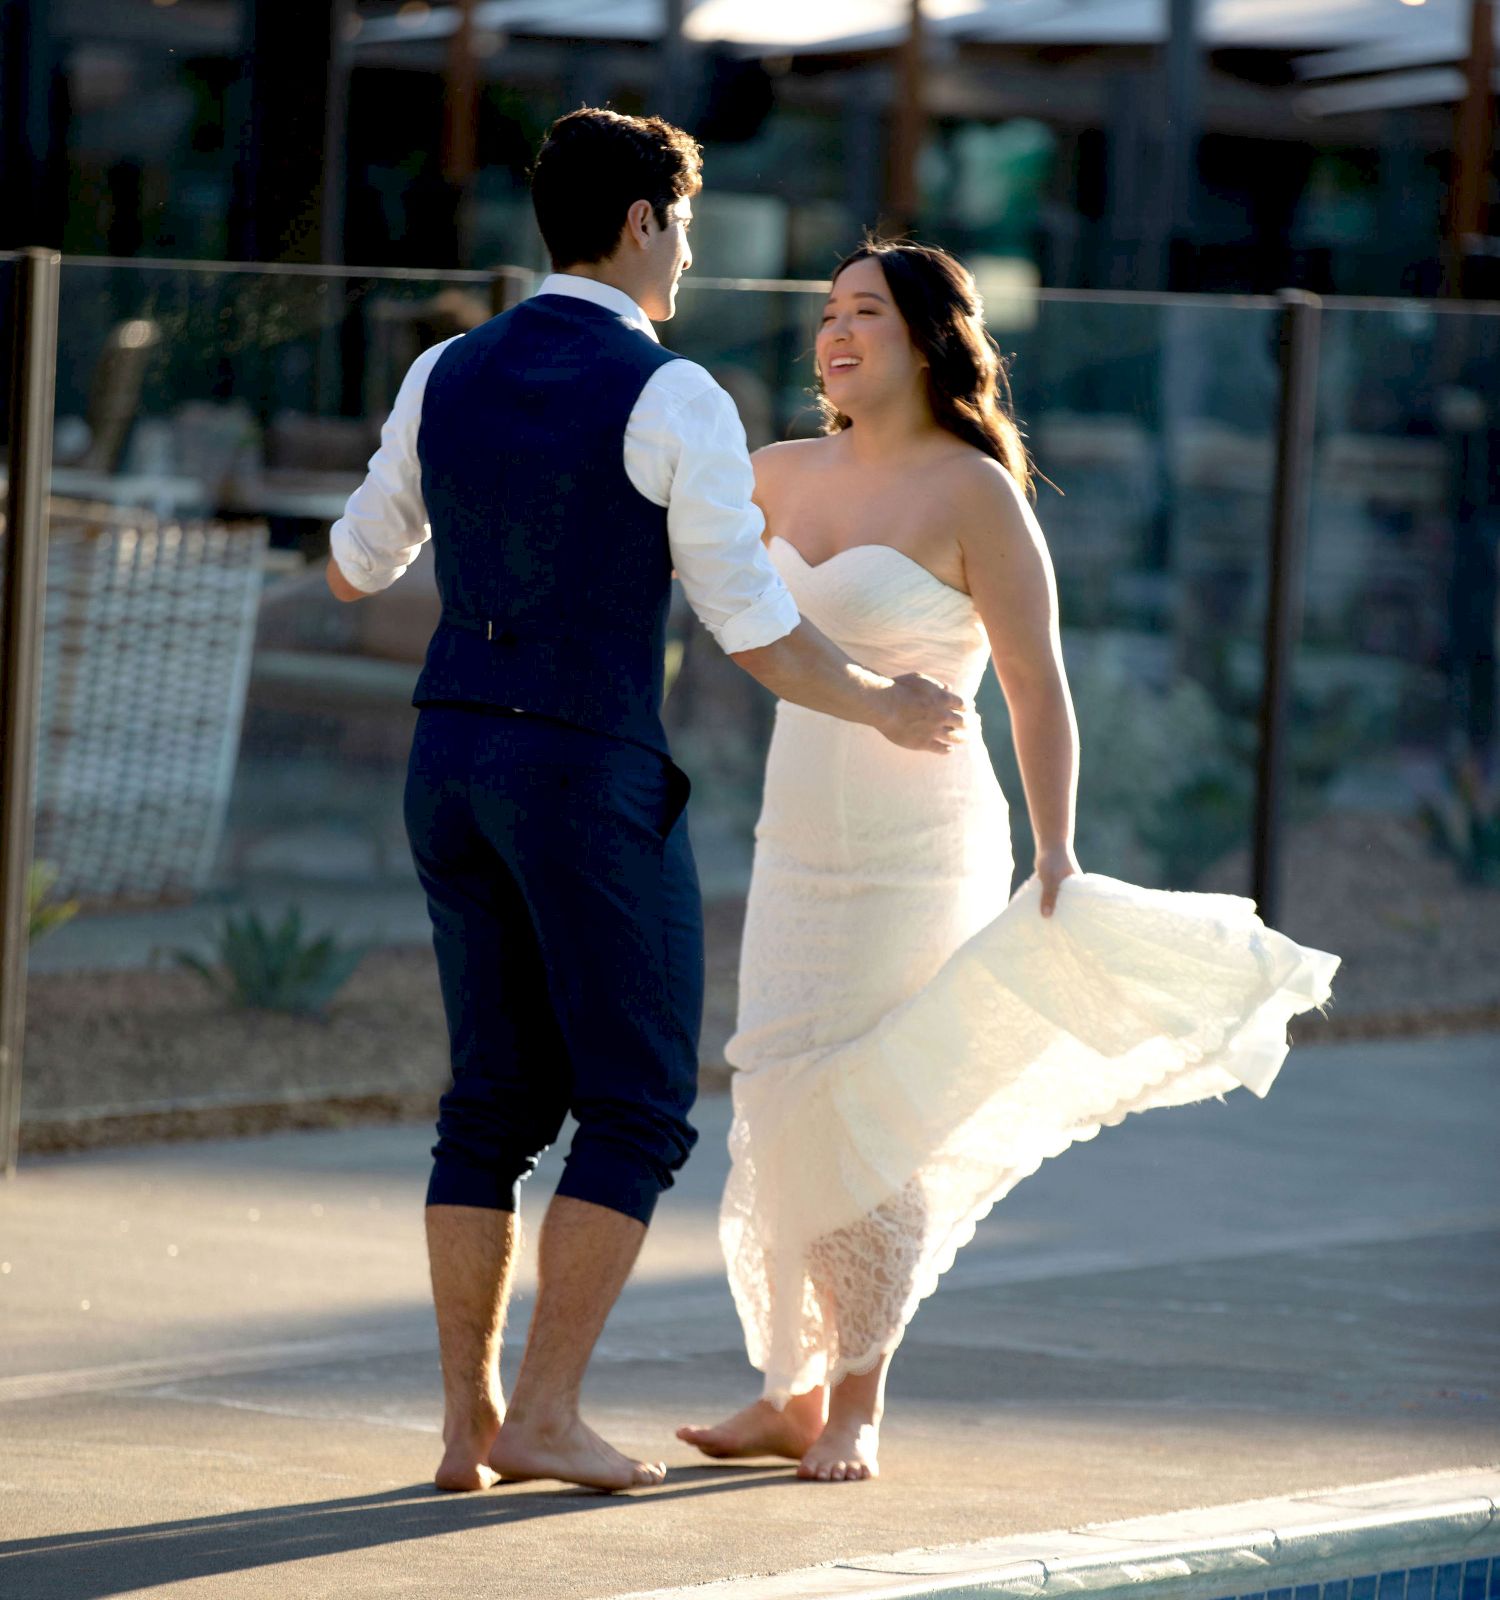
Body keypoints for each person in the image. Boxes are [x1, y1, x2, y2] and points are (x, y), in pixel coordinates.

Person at [323, 112, 966, 1495]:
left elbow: (358, 566)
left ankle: (465, 1429)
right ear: (637, 224)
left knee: (489, 1097)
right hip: (582, 768)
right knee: (637, 1100)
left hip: (448, 760)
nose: (690, 248)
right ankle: (544, 1415)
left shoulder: (447, 368)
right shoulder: (673, 395)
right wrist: (885, 701)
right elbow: (755, 633)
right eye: (684, 221)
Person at [676, 241, 1340, 1482]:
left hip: (923, 845)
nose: (836, 331)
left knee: (877, 1104)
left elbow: (1038, 687)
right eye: (827, 313)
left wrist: (1058, 849)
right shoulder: (769, 471)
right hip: (794, 839)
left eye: (865, 312)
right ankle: (787, 1387)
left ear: (928, 341)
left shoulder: (977, 492)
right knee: (773, 1086)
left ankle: (859, 1400)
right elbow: (684, 558)